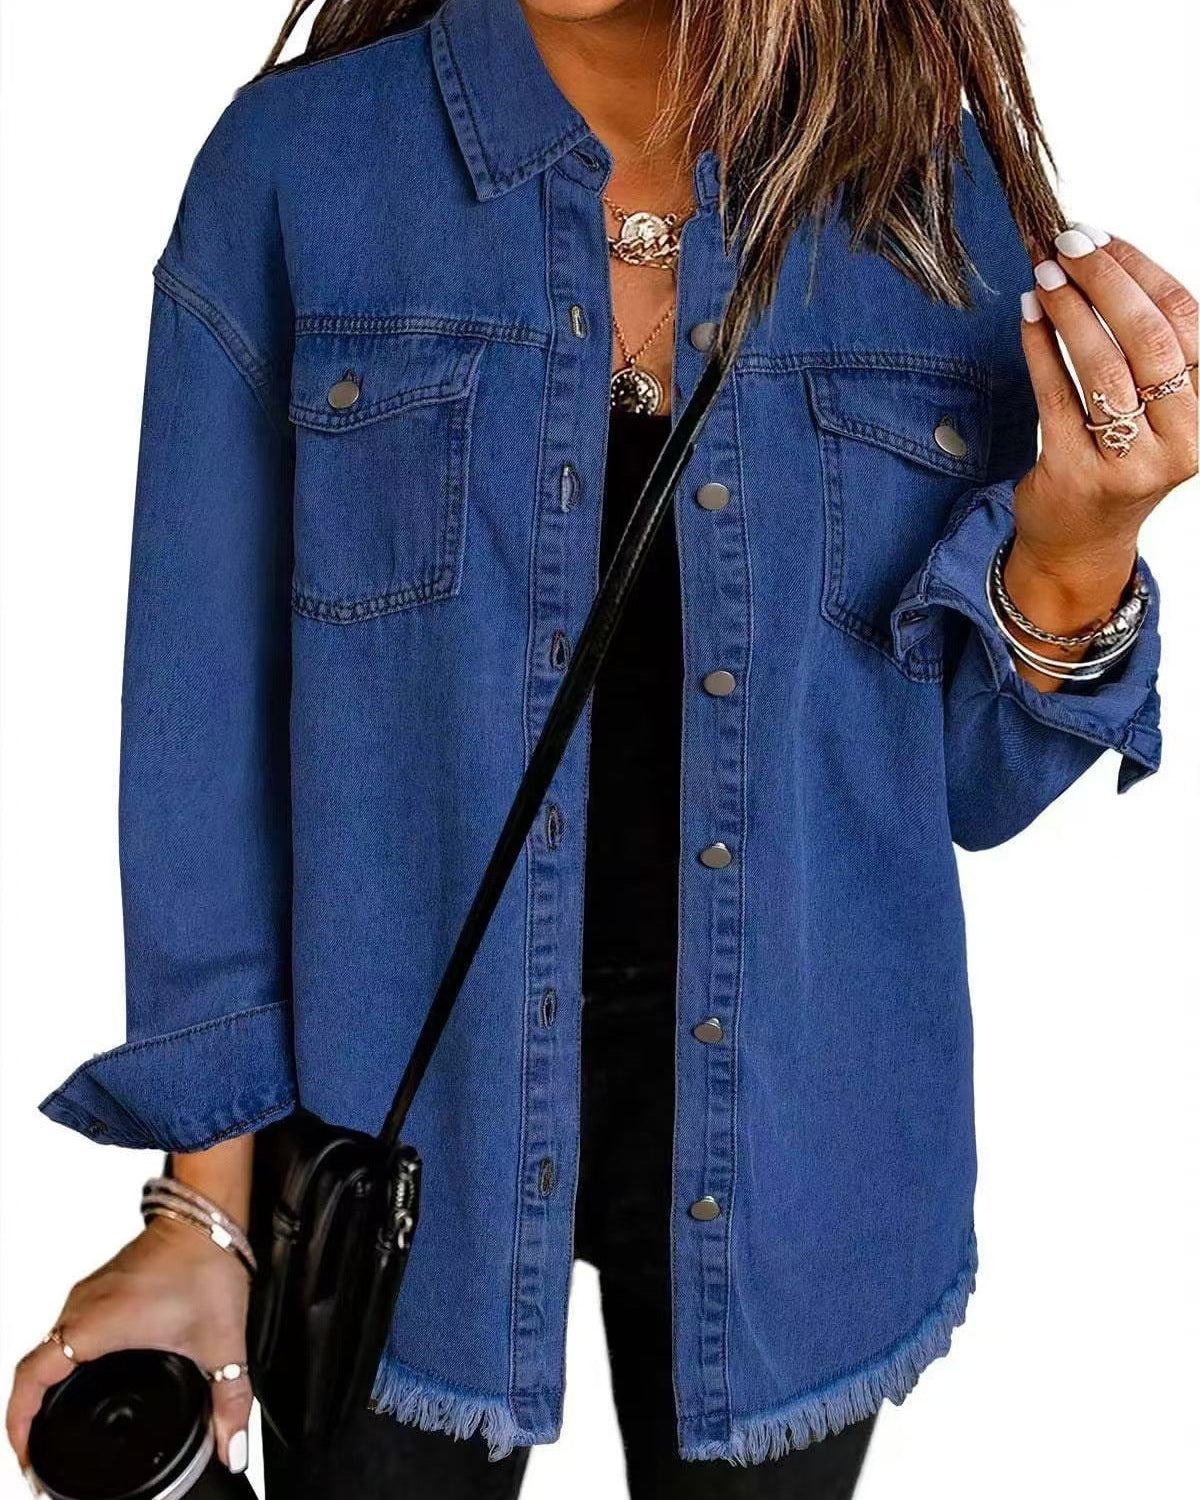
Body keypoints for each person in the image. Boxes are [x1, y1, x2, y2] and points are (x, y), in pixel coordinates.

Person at [7, 0, 1196, 1494]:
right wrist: (204, 1211)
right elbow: (203, 736)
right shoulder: (302, 170)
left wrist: (1081, 548)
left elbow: (962, 787)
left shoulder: (924, 196)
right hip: (387, 1117)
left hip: (806, 1141)